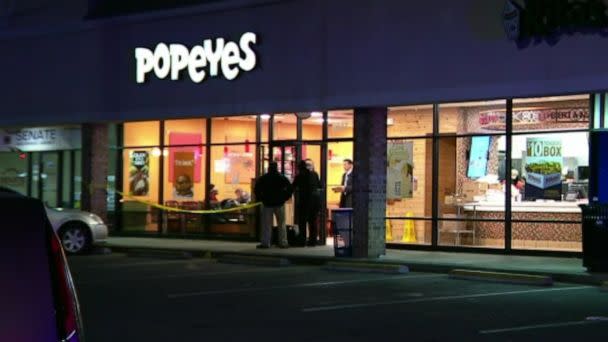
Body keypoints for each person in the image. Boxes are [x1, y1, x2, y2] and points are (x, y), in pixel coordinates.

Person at [254, 161, 293, 249]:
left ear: (268, 168)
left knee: (266, 224)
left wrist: (262, 198)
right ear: (276, 168)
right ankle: (283, 242)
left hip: (267, 204)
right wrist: (285, 197)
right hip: (279, 203)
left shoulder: (263, 178)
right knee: (281, 224)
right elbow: (290, 188)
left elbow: (257, 189)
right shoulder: (281, 178)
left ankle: (266, 243)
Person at [293, 160, 322, 246]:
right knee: (312, 222)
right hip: (315, 202)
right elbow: (319, 185)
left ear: (299, 168)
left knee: (302, 222)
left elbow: (293, 186)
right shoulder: (315, 174)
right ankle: (313, 241)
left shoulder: (299, 176)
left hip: (304, 202)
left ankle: (302, 241)